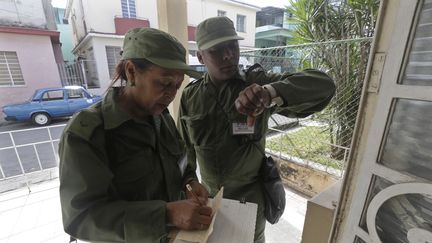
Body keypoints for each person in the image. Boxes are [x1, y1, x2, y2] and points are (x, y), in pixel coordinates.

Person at [177, 16, 336, 243]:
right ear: (200, 56)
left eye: (232, 45)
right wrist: (189, 183)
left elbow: (324, 86)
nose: (228, 55)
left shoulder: (257, 83)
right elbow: (183, 151)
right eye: (216, 50)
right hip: (209, 198)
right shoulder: (191, 96)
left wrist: (270, 93)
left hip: (250, 200)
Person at [58, 28, 212, 243]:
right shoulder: (88, 133)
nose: (171, 95)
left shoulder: (161, 116)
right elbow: (81, 218)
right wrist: (166, 214)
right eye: (164, 83)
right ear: (131, 72)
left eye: (177, 86)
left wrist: (189, 181)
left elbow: (181, 160)